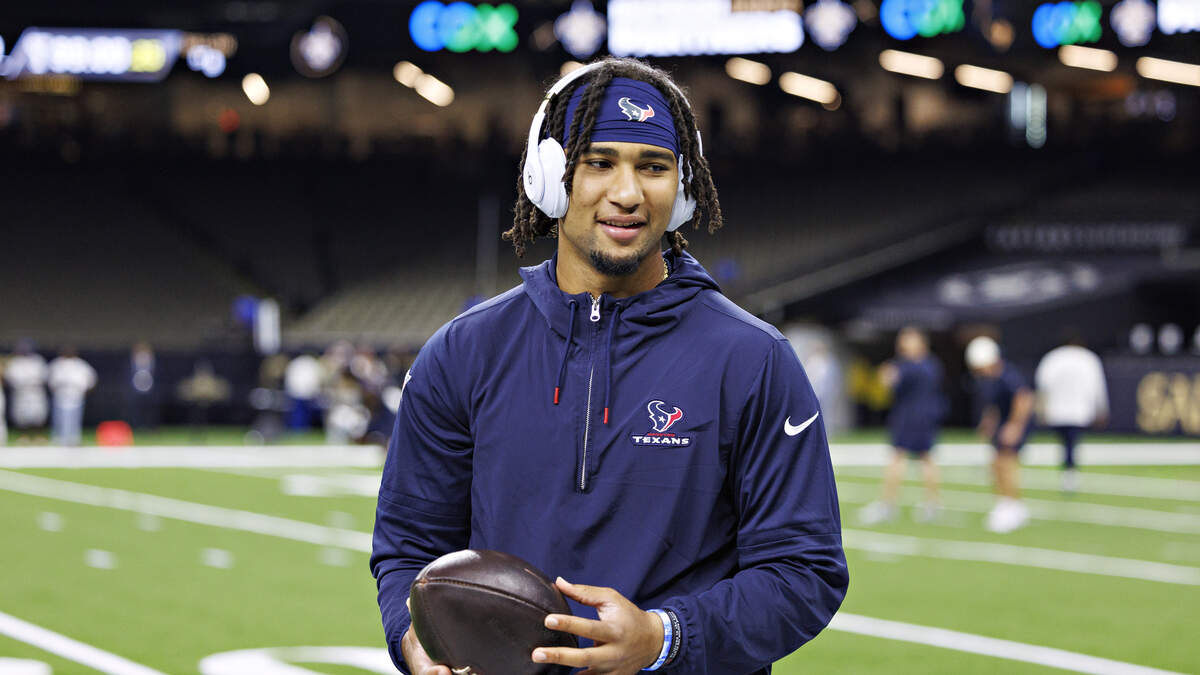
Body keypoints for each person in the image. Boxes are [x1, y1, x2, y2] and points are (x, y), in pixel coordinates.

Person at [371, 58, 847, 675]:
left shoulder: (753, 359)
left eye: (653, 167)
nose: (627, 193)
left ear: (683, 189)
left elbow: (804, 572)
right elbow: (410, 547)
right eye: (598, 162)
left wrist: (665, 637)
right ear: (548, 177)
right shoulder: (463, 353)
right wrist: (416, 644)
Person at [859, 326, 945, 524]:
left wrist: (888, 373)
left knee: (903, 457)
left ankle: (889, 504)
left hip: (912, 417)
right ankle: (931, 504)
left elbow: (889, 380)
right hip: (922, 415)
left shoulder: (914, 365)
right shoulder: (930, 364)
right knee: (924, 458)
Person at [965, 335, 1034, 534]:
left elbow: (1024, 399)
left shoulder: (1007, 375)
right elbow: (994, 405)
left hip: (1014, 422)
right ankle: (1006, 504)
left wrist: (1014, 426)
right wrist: (989, 422)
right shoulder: (990, 379)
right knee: (995, 465)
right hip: (1004, 422)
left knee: (1006, 463)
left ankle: (1012, 506)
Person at [1035, 337, 1108, 492]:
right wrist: (1101, 409)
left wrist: (1041, 409)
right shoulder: (1088, 359)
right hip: (1078, 410)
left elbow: (1042, 385)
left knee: (1067, 443)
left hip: (1058, 410)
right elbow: (1098, 386)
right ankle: (1070, 473)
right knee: (1071, 443)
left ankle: (1068, 473)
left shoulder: (1053, 358)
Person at [47, 346, 97, 446]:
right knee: (59, 417)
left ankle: (73, 438)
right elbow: (50, 380)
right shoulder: (57, 364)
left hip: (76, 394)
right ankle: (58, 438)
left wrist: (85, 391)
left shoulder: (81, 365)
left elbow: (92, 379)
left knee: (74, 418)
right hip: (61, 394)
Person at [4, 339, 49, 440]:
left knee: (38, 415)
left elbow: (44, 376)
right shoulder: (15, 361)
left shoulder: (38, 360)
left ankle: (39, 437)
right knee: (21, 416)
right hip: (21, 392)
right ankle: (23, 436)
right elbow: (11, 377)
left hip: (35, 391)